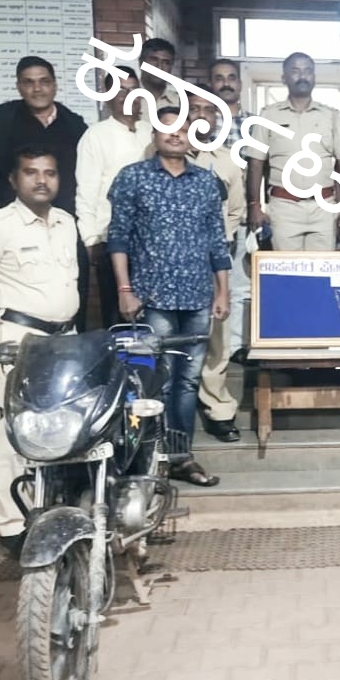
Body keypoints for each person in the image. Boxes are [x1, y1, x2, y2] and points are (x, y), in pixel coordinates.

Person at [0, 148, 79, 558]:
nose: (41, 180)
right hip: (17, 340)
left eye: (50, 172)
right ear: (14, 179)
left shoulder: (66, 223)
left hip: (64, 339)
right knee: (13, 432)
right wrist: (0, 329)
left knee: (60, 426)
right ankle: (13, 525)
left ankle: (50, 508)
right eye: (31, 172)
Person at [107, 107, 231, 487]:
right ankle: (149, 460)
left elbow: (217, 242)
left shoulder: (206, 182)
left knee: (188, 382)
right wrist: (124, 290)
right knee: (153, 382)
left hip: (197, 298)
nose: (175, 134)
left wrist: (222, 291)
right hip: (152, 298)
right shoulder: (133, 178)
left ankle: (181, 458)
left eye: (183, 128)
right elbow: (118, 239)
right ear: (154, 134)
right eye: (167, 127)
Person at [0, 56, 88, 330]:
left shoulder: (76, 127)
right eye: (29, 82)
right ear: (19, 86)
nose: (37, 89)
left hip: (64, 221)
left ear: (55, 85)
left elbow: (83, 178)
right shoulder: (0, 125)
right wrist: (21, 216)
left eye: (44, 82)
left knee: (69, 287)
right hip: (17, 221)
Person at [247, 52, 340, 251]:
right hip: (284, 207)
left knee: (322, 267)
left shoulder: (330, 116)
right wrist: (254, 205)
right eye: (295, 71)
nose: (302, 76)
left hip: (324, 207)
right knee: (287, 267)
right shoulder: (268, 115)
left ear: (314, 77)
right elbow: (255, 163)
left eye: (308, 71)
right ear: (284, 78)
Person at [186, 87, 246, 443]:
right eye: (194, 108)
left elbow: (235, 212)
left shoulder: (226, 161)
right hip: (169, 264)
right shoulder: (163, 154)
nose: (200, 115)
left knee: (216, 338)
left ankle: (216, 407)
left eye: (208, 110)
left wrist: (217, 243)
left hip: (213, 261)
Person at [75, 66, 152, 329]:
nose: (127, 96)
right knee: (117, 315)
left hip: (151, 239)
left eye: (133, 90)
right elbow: (86, 192)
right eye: (120, 90)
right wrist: (91, 240)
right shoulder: (95, 136)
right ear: (107, 95)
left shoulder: (150, 132)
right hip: (111, 239)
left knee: (150, 314)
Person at [209, 58, 253, 364]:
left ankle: (236, 346)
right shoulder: (201, 121)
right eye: (219, 78)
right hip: (207, 217)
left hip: (243, 215)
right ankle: (212, 350)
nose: (226, 83)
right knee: (210, 286)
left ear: (240, 83)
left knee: (240, 284)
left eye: (231, 77)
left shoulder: (253, 124)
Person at [137, 37, 180, 121]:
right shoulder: (124, 98)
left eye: (166, 62)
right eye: (154, 60)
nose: (159, 67)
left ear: (171, 67)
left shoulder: (180, 103)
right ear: (141, 62)